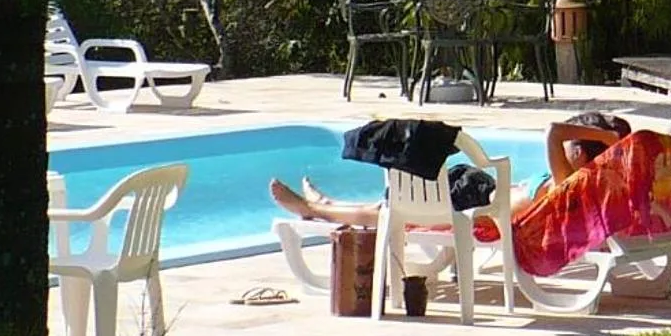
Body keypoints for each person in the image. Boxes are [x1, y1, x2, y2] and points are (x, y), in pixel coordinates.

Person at [269, 112, 633, 229]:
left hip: (478, 207)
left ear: (583, 153)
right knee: (396, 204)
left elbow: (553, 131)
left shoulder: (568, 181)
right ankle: (325, 204)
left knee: (395, 212)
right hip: (480, 192)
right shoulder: (578, 182)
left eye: (575, 145)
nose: (566, 147)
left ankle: (315, 209)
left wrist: (601, 134)